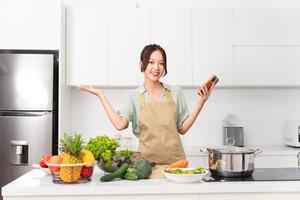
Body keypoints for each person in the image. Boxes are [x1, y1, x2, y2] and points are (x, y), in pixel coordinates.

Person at [78, 44, 216, 165]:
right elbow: (120, 125)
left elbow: (182, 128)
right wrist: (100, 95)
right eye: (151, 62)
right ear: (141, 64)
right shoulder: (133, 96)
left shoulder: (175, 92)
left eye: (161, 63)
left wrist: (201, 102)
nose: (156, 67)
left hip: (176, 164)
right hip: (146, 166)